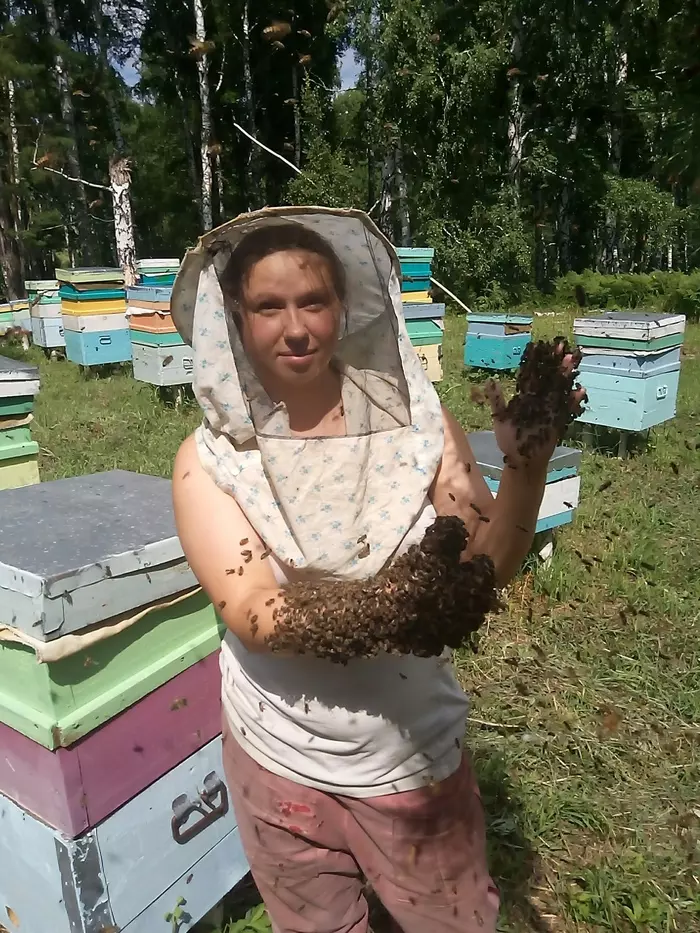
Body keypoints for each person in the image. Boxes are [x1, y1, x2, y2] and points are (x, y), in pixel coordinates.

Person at [171, 207, 584, 933]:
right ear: (234, 318)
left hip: (410, 762)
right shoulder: (206, 458)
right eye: (268, 306)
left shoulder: (417, 417)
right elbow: (253, 611)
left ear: (345, 306)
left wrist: (526, 466)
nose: (294, 327)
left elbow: (489, 559)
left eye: (313, 301)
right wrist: (404, 605)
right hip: (278, 762)